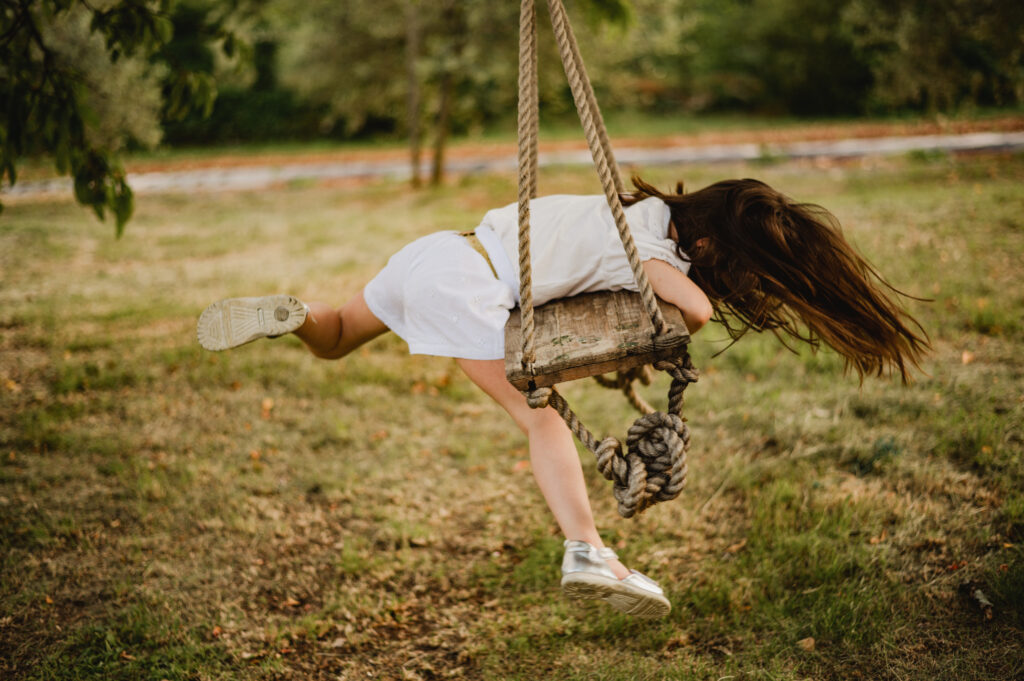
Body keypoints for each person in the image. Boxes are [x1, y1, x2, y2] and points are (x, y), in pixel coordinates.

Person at [196, 177, 928, 619]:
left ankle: (294, 314)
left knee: (333, 337)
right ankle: (587, 550)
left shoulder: (635, 212)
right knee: (536, 414)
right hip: (467, 281)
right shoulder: (654, 252)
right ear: (707, 248)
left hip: (438, 250)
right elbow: (695, 311)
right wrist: (690, 297)